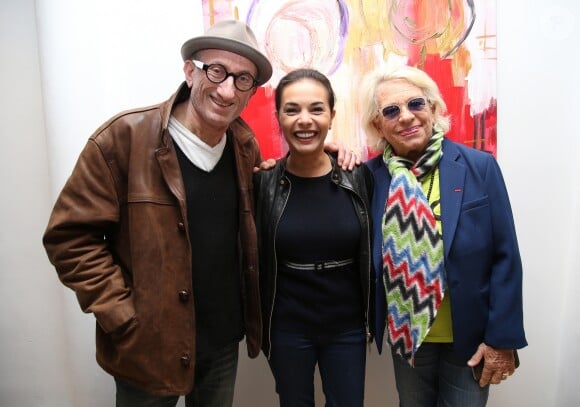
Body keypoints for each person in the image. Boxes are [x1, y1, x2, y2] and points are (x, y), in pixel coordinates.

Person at [42, 20, 357, 407]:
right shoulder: (124, 139)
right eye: (216, 71)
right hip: (148, 345)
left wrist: (324, 152)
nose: (227, 89)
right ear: (190, 71)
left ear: (251, 93)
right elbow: (69, 238)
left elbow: (276, 196)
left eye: (242, 80)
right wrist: (122, 315)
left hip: (222, 344)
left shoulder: (244, 148)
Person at [360, 65, 527, 406]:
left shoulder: (478, 166)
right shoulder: (370, 177)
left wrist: (502, 339)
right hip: (409, 338)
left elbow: (505, 255)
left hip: (470, 337)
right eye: (391, 111)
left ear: (433, 108)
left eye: (416, 104)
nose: (406, 117)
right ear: (379, 125)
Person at [254, 69, 373, 407]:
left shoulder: (359, 177)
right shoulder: (262, 184)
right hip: (287, 326)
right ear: (278, 117)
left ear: (332, 116)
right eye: (292, 110)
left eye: (316, 109)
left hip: (347, 326)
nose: (304, 120)